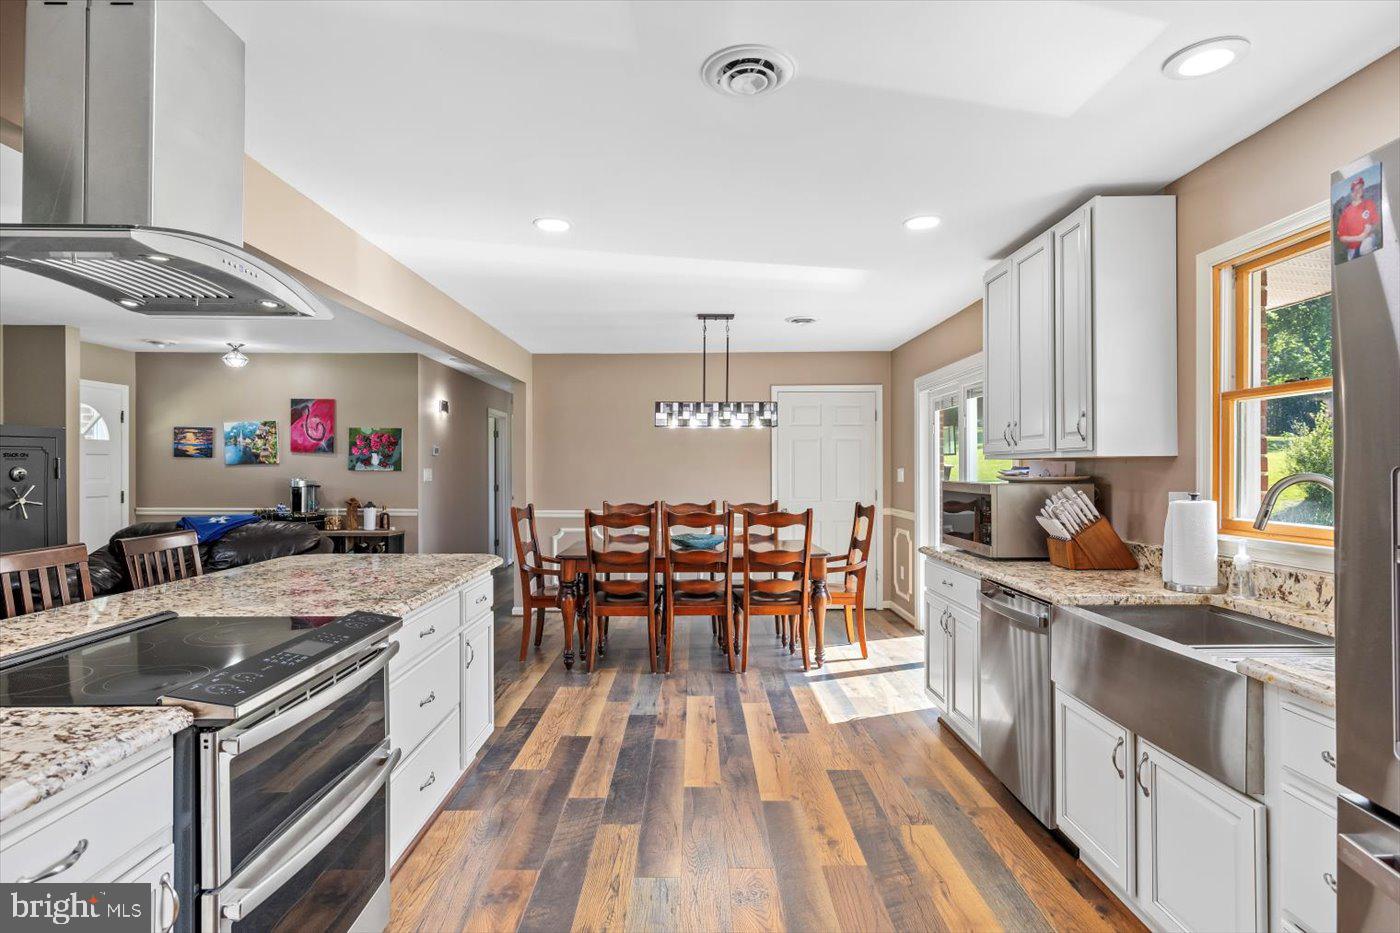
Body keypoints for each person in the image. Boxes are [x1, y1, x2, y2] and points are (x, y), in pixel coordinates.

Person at [1336, 176, 1380, 259]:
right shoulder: (1346, 212)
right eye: (1354, 189)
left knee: (1365, 249)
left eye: (1359, 188)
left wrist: (1368, 230)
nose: (1357, 191)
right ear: (1351, 192)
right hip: (1352, 248)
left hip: (1367, 240)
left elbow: (1376, 222)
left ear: (1363, 189)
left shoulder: (1369, 204)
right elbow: (1341, 237)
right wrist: (1358, 238)